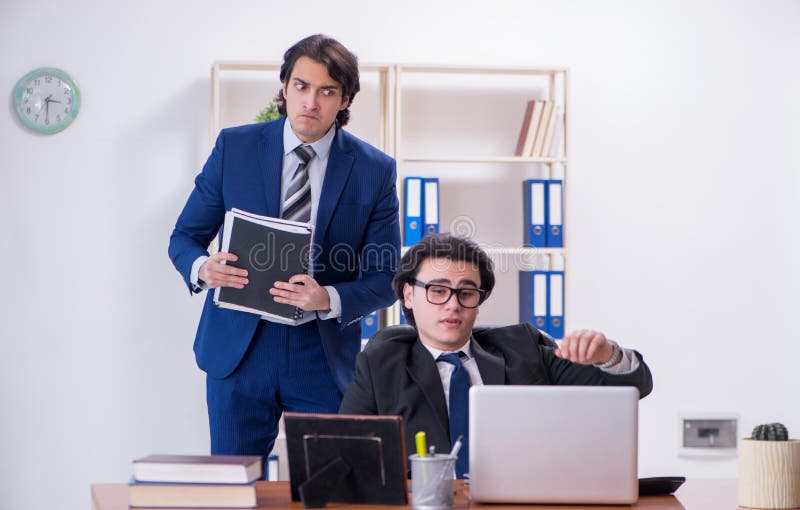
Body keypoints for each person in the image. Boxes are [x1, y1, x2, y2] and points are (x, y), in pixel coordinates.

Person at [168, 34, 401, 463]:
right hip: (239, 351)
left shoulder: (375, 170)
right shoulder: (234, 148)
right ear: (284, 86)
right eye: (301, 86)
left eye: (326, 91)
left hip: (321, 354)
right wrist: (203, 268)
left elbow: (386, 278)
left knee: (331, 487)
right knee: (237, 489)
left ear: (345, 99)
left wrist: (327, 297)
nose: (310, 102)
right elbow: (184, 237)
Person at [339, 233, 652, 478]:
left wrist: (607, 355)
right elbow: (344, 455)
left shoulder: (523, 349)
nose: (453, 304)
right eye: (437, 290)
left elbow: (632, 387)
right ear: (409, 294)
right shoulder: (380, 363)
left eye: (466, 292)